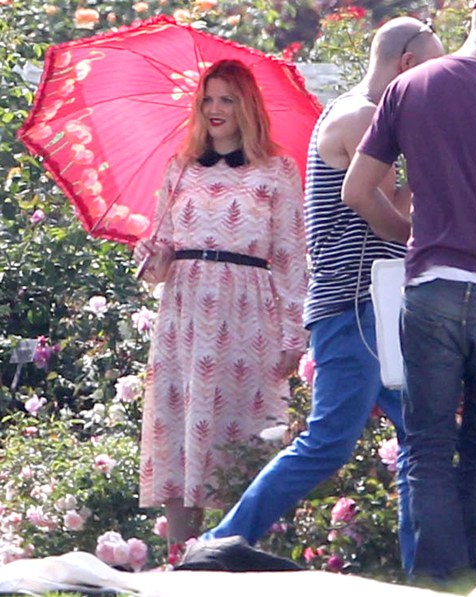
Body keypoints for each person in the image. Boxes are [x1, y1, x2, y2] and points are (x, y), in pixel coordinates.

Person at [201, 17, 444, 575]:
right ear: (407, 65)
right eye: (431, 72)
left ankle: (427, 573)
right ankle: (218, 543)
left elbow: (396, 205)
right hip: (354, 306)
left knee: (420, 440)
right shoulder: (361, 116)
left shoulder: (366, 114)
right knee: (329, 441)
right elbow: (389, 216)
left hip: (373, 305)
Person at [133, 60, 308, 547]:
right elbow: (162, 258)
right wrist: (152, 257)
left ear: (246, 105)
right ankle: (179, 559)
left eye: (226, 99)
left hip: (247, 313)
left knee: (246, 436)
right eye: (207, 99)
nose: (215, 109)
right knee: (178, 433)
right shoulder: (180, 167)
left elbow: (291, 256)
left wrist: (295, 335)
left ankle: (241, 551)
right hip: (184, 313)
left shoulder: (278, 170)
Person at [342, 2, 476, 586]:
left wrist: (411, 234)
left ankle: (437, 582)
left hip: (434, 285)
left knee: (427, 445)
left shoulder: (413, 85)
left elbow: (357, 189)